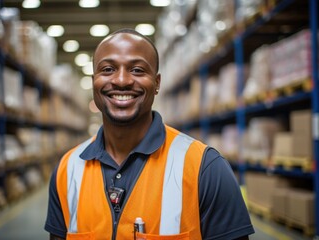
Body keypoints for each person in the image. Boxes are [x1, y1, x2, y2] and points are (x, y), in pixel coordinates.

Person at [44, 28, 255, 240]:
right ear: (93, 82)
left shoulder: (205, 168)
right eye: (108, 69)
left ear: (157, 83)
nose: (122, 80)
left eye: (137, 70)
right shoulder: (67, 170)